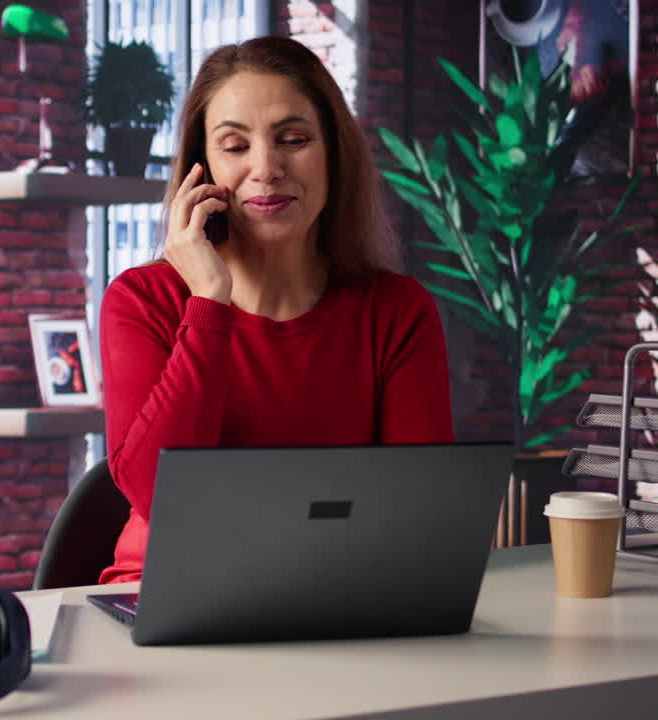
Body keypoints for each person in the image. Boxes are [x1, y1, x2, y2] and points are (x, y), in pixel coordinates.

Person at [98, 36, 455, 584]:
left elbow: (419, 514)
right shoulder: (143, 301)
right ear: (202, 170)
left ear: (333, 154)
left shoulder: (397, 313)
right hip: (167, 600)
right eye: (235, 146)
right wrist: (207, 303)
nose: (266, 168)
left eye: (293, 140)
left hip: (341, 598)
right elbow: (159, 498)